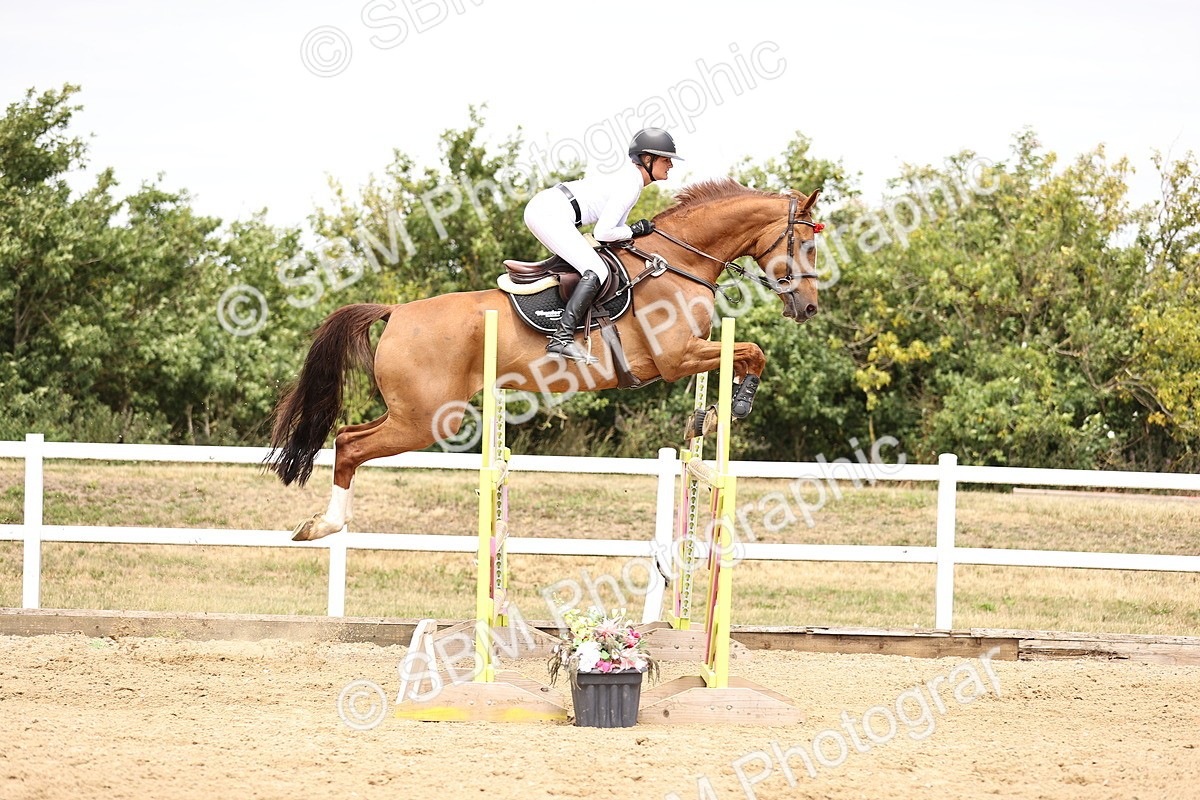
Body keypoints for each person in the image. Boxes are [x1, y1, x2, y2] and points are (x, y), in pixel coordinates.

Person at [524, 127, 682, 362]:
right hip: (548, 212)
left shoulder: (632, 182)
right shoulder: (629, 184)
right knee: (596, 269)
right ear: (647, 159)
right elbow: (604, 232)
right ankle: (561, 338)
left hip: (552, 210)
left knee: (594, 264)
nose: (671, 165)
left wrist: (631, 232)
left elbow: (612, 233)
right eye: (666, 159)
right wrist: (636, 229)